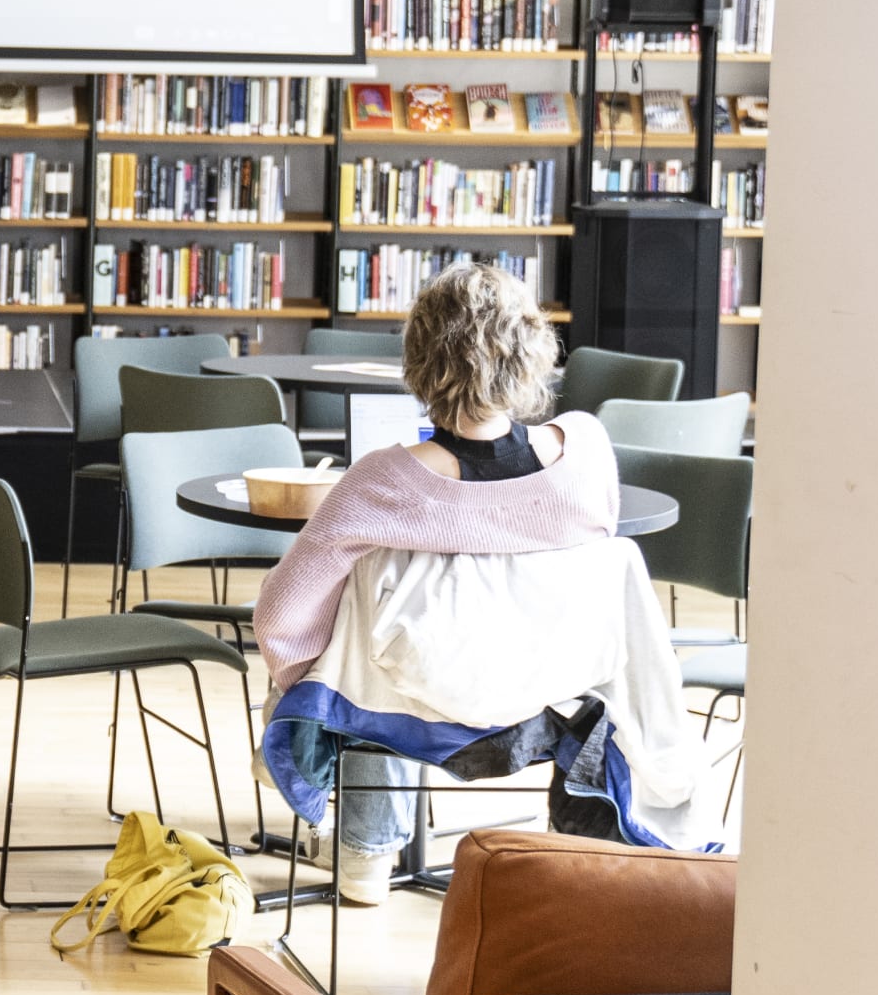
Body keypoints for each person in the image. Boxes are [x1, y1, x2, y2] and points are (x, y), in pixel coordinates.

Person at [248, 264, 621, 904]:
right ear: (532, 352)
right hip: (552, 701)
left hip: (400, 711)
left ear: (420, 359)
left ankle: (365, 850)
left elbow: (282, 615)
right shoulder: (586, 452)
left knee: (351, 630)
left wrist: (300, 686)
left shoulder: (380, 480)